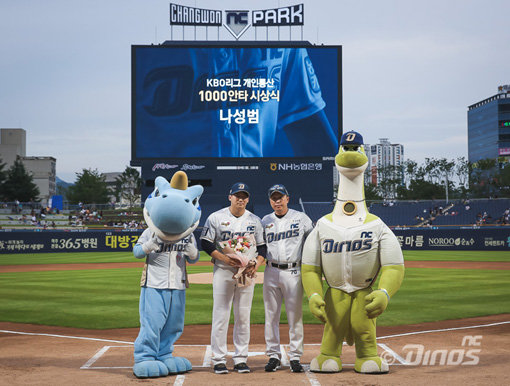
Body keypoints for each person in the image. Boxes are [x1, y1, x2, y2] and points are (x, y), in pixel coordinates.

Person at [135, 47, 339, 158]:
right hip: (174, 192)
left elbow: (312, 137)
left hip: (257, 185)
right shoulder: (154, 48)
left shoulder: (280, 39)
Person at [200, 182, 266, 374]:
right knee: (220, 315)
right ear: (230, 197)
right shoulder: (216, 217)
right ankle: (219, 359)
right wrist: (224, 258)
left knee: (243, 316)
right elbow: (205, 243)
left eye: (244, 196)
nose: (241, 199)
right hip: (223, 270)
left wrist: (256, 264)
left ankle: (240, 358)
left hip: (246, 273)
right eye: (237, 195)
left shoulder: (255, 220)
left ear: (248, 199)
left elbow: (262, 247)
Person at [261, 184, 313, 373]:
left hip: (294, 271)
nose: (277, 201)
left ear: (287, 198)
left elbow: (312, 242)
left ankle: (295, 356)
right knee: (271, 315)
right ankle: (273, 355)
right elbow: (259, 246)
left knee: (295, 316)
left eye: (280, 197)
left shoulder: (301, 218)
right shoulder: (265, 220)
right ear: (270, 201)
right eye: (274, 198)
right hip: (271, 270)